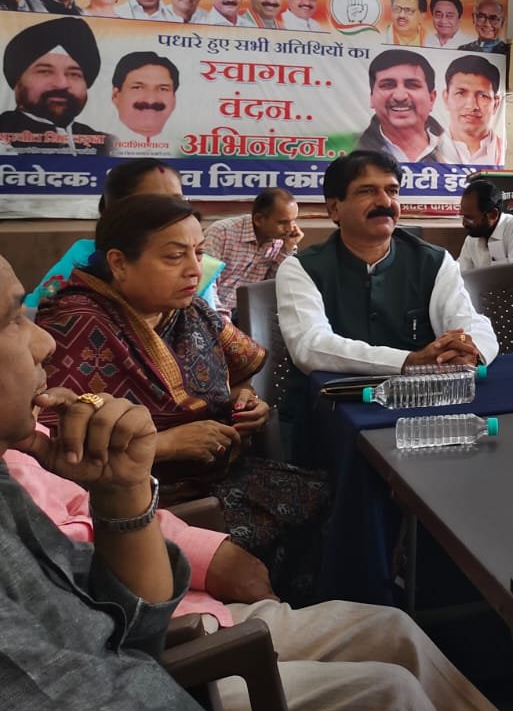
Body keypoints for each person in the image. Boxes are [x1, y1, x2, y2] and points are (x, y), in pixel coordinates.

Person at [5, 438, 513, 711]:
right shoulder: (84, 329)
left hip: (190, 609)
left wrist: (204, 550)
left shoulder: (16, 460)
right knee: (389, 693)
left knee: (392, 629)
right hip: (170, 654)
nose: (42, 342)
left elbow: (88, 506)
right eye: (12, 320)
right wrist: (160, 450)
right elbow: (94, 658)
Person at [38, 194, 329, 601]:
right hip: (151, 501)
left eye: (199, 252)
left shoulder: (189, 310)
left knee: (330, 496)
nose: (195, 269)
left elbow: (240, 378)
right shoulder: (74, 324)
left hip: (220, 474)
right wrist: (168, 444)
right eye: (175, 256)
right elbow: (49, 452)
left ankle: (297, 617)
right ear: (119, 263)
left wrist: (247, 404)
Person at [0, 254, 223, 711]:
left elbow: (131, 632)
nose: (44, 343)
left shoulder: (5, 484)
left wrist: (123, 490)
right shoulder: (82, 320)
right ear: (119, 263)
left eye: (197, 250)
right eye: (10, 320)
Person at [276, 150, 498, 375]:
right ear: (334, 208)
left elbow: (470, 323)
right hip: (331, 396)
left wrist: (469, 350)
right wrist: (410, 361)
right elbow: (310, 345)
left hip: (423, 394)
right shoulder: (300, 269)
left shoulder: (434, 261)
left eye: (392, 191)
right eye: (367, 191)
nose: (385, 201)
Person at [25, 160, 224, 314]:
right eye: (174, 256)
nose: (194, 270)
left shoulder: (197, 266)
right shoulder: (83, 258)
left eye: (177, 201)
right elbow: (34, 313)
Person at [0, 16, 114, 155]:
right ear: (17, 80)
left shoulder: (106, 145)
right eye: (45, 72)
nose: (61, 84)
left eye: (74, 74)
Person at [201, 187, 303, 319]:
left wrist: (287, 249)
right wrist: (220, 319)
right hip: (210, 312)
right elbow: (205, 283)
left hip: (248, 315)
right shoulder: (222, 233)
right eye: (282, 222)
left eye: (293, 220)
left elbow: (272, 287)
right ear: (259, 219)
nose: (290, 228)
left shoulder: (283, 241)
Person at [358, 49, 450, 163]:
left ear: (431, 98)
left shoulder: (458, 152)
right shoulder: (352, 156)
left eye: (412, 85)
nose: (400, 96)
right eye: (388, 85)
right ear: (372, 97)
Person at [458, 179, 513, 270]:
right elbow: (459, 275)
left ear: (493, 215)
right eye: (463, 216)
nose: (464, 223)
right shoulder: (472, 238)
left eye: (470, 218)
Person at [441, 55, 504, 166]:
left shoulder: (506, 151)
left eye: (483, 96)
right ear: (446, 98)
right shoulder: (428, 151)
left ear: (496, 104)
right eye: (461, 93)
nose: (471, 106)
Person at [109, 51, 179, 141]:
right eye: (137, 87)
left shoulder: (180, 140)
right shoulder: (105, 144)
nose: (151, 100)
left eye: (163, 89)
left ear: (174, 98)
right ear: (115, 95)